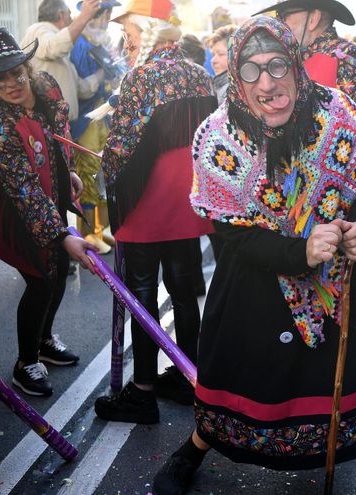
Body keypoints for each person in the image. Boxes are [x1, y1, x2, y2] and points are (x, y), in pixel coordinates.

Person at [151, 17, 356, 495]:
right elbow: (232, 236)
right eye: (251, 69)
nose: (267, 82)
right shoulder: (217, 137)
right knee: (240, 377)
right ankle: (195, 447)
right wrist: (299, 250)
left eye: (278, 64)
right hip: (255, 289)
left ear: (297, 66)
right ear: (235, 78)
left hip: (338, 284)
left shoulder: (336, 111)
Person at [93, 5, 217, 422]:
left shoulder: (141, 77)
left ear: (148, 31)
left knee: (141, 297)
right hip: (188, 204)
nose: (126, 41)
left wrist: (102, 165)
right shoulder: (198, 73)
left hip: (146, 204)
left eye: (129, 31)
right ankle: (188, 377)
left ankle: (143, 391)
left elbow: (123, 148)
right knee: (184, 292)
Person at [0, 28, 97, 397]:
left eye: (16, 72)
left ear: (27, 67)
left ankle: (44, 339)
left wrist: (66, 173)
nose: (11, 83)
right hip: (12, 208)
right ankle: (25, 362)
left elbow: (57, 136)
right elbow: (24, 189)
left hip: (49, 193)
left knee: (60, 270)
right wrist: (64, 235)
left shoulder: (46, 88)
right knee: (41, 278)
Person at [257, 0, 356, 226]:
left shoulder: (347, 59)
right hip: (301, 202)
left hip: (348, 201)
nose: (279, 22)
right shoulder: (292, 60)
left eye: (285, 15)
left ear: (314, 18)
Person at [70, 0, 120, 255]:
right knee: (88, 170)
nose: (107, 20)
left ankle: (104, 228)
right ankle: (89, 232)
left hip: (103, 116)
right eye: (104, 14)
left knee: (103, 168)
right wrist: (101, 76)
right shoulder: (79, 42)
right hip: (87, 119)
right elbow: (80, 86)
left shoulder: (100, 43)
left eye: (109, 14)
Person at [22, 0, 105, 123]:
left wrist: (99, 76)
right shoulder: (39, 29)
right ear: (62, 15)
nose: (72, 19)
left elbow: (79, 88)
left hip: (64, 126)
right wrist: (84, 16)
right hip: (48, 124)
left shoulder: (58, 46)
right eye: (69, 14)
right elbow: (54, 47)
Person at [206, 23, 236, 104]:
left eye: (220, 54)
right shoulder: (217, 86)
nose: (213, 60)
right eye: (213, 54)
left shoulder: (233, 92)